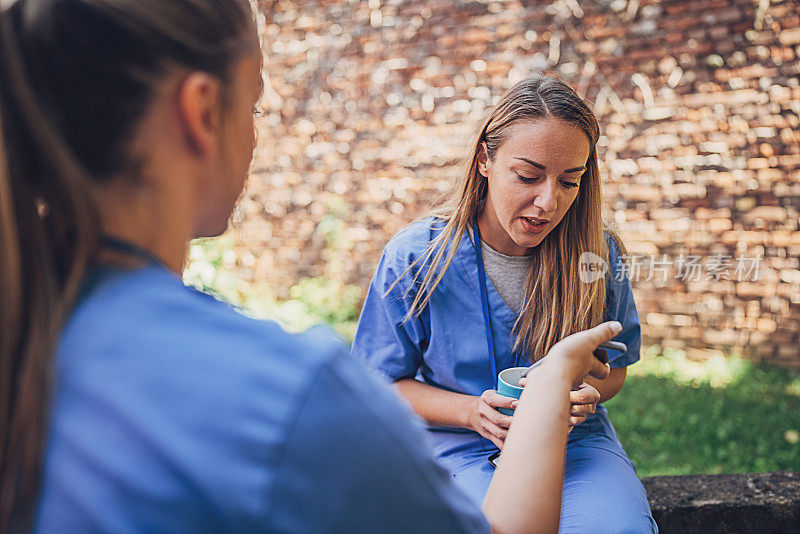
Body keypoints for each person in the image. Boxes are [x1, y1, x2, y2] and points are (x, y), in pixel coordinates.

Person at [0, 1, 618, 533]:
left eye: (567, 181)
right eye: (258, 108)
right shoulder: (291, 396)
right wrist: (557, 371)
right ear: (203, 112)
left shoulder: (33, 328)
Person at [352, 75, 659, 533]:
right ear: (484, 161)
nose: (548, 203)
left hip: (572, 444)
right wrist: (471, 412)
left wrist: (583, 398)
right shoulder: (416, 257)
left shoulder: (598, 255)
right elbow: (377, 384)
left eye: (570, 182)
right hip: (457, 444)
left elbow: (614, 371)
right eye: (528, 176)